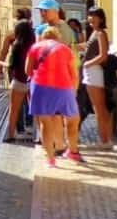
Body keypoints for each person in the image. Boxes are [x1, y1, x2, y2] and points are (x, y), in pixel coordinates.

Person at [26, 25, 81, 168]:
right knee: (72, 119)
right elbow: (73, 73)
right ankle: (73, 150)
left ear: (44, 36)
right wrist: (73, 91)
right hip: (64, 87)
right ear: (58, 37)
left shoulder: (35, 48)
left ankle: (50, 159)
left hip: (40, 87)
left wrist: (39, 81)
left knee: (45, 123)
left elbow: (28, 70)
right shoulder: (65, 49)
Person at [35, 0, 81, 159]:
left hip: (63, 77)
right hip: (49, 77)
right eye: (41, 10)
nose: (42, 13)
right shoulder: (43, 29)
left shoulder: (65, 30)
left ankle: (63, 145)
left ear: (55, 11)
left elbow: (62, 53)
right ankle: (58, 144)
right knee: (53, 114)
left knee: (61, 114)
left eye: (45, 10)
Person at [81, 6, 114, 147]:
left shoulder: (100, 34)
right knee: (99, 107)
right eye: (89, 15)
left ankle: (104, 140)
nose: (91, 18)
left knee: (99, 108)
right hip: (91, 72)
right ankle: (105, 139)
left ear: (101, 18)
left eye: (94, 16)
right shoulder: (94, 33)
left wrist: (88, 63)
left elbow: (103, 55)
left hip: (94, 73)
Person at [4, 16, 36, 142]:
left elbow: (12, 65)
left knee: (13, 110)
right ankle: (38, 137)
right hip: (32, 81)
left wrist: (3, 65)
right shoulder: (35, 46)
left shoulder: (17, 46)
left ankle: (11, 135)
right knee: (36, 111)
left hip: (18, 81)